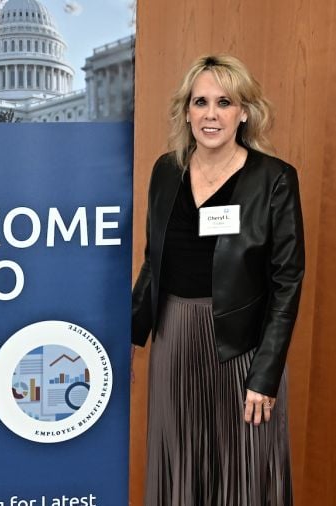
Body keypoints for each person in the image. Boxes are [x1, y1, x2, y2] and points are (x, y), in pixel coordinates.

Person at [132, 55, 304, 505]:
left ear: (244, 111)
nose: (211, 114)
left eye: (224, 102)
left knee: (243, 472)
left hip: (241, 346)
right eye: (200, 102)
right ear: (186, 111)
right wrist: (131, 337)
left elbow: (287, 283)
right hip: (175, 338)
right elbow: (155, 260)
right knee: (180, 462)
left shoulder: (274, 179)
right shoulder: (165, 171)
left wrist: (264, 376)